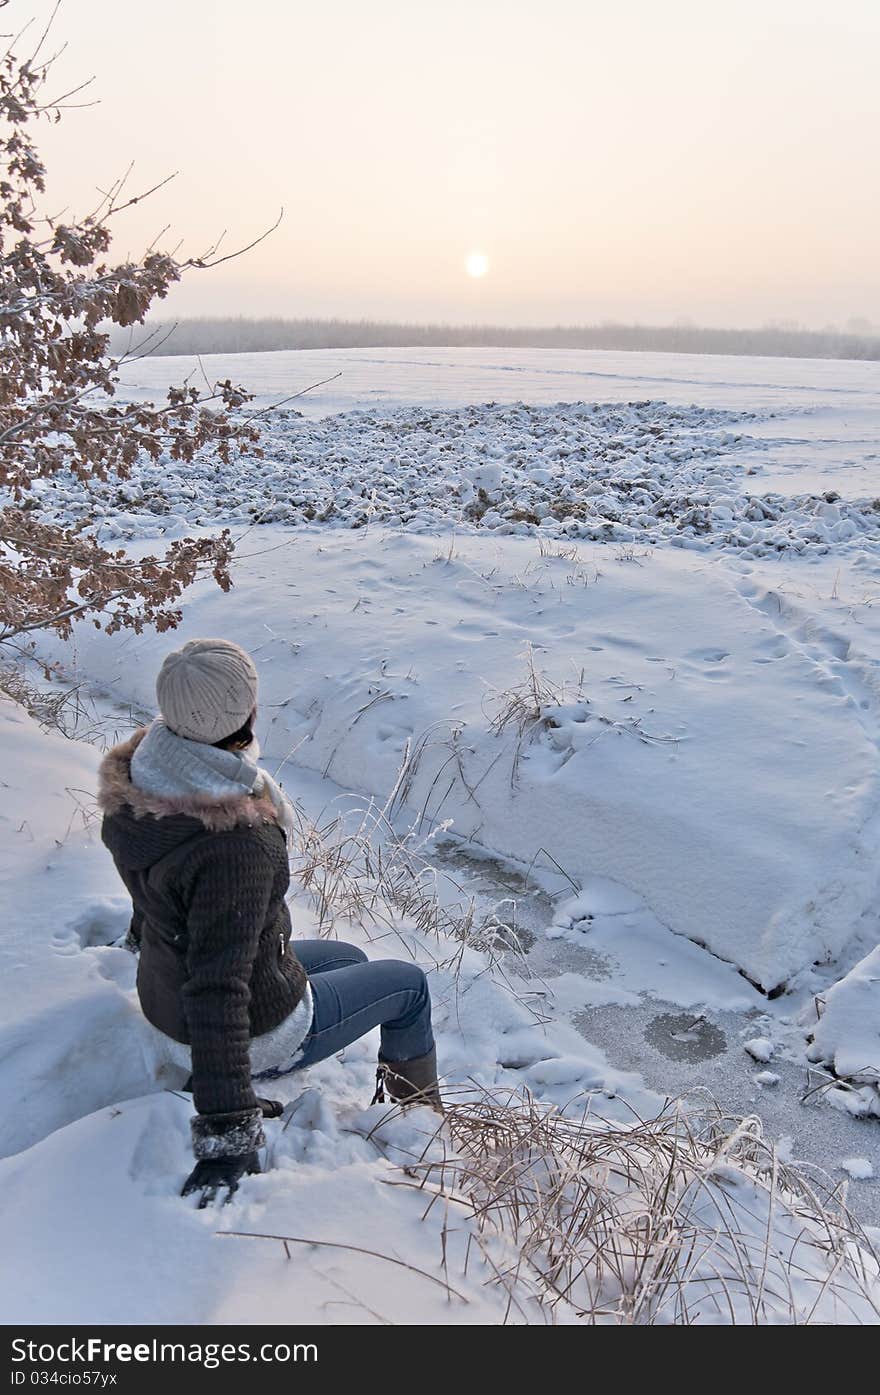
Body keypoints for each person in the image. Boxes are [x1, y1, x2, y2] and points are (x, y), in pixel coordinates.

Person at [98, 637, 441, 1208]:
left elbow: (154, 892)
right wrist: (228, 1137)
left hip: (164, 992)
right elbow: (217, 989)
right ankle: (420, 1123)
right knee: (407, 985)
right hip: (232, 1027)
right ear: (246, 712)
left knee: (350, 959)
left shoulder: (144, 780)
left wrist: (139, 937)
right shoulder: (234, 845)